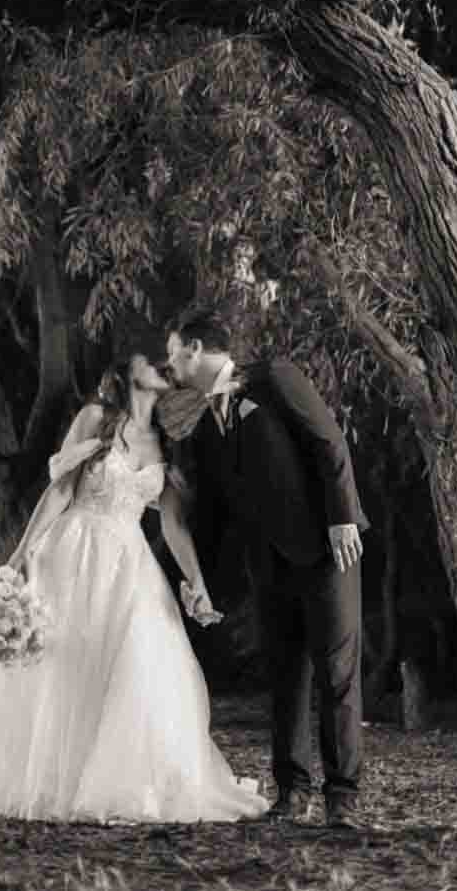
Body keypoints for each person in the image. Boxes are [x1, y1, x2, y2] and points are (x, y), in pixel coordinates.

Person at [0, 339, 269, 824]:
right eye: (146, 361)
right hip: (72, 549)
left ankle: (122, 783)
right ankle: (51, 781)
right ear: (126, 376)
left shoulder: (167, 442)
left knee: (138, 657)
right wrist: (20, 557)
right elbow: (59, 491)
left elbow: (172, 523)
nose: (157, 364)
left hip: (129, 561)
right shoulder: (94, 419)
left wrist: (197, 583)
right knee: (63, 663)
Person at [162, 309, 368, 830]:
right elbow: (214, 515)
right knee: (285, 677)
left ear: (196, 348)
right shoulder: (207, 425)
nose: (170, 365)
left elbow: (329, 441)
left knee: (337, 673)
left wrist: (342, 520)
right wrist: (200, 582)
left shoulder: (274, 378)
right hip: (268, 567)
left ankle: (342, 797)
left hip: (326, 551)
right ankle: (291, 793)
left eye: (173, 353)